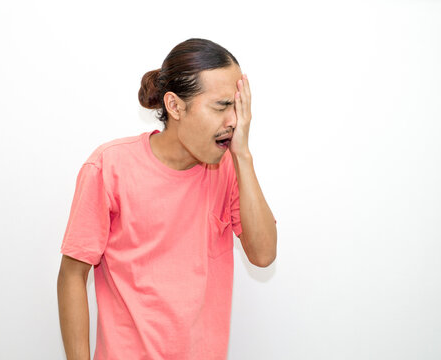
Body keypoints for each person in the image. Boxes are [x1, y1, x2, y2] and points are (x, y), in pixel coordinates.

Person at [57, 38, 277, 360]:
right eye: (221, 105)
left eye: (237, 106)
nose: (234, 121)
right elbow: (72, 275)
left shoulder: (230, 168)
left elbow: (263, 254)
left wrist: (242, 155)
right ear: (175, 106)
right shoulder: (109, 167)